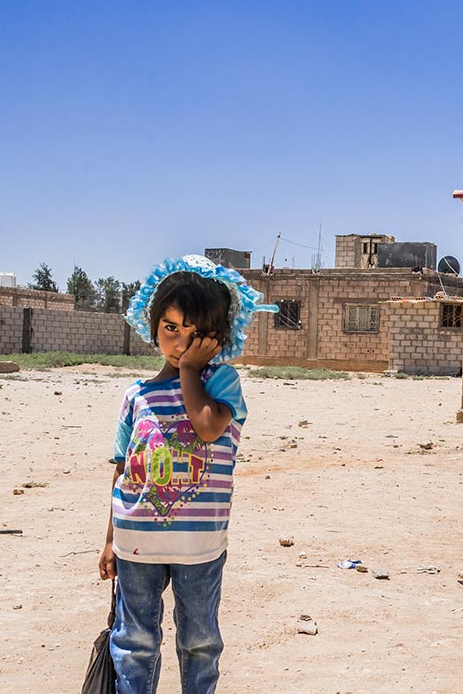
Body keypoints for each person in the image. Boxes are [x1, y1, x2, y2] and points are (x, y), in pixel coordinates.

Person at [97, 255, 276, 694]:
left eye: (195, 334)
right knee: (134, 641)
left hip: (200, 546)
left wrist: (191, 372)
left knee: (199, 642)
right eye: (171, 328)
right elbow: (123, 470)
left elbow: (207, 426)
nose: (180, 343)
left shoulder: (222, 384)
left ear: (217, 339)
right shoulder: (136, 395)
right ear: (153, 326)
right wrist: (108, 540)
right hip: (136, 542)